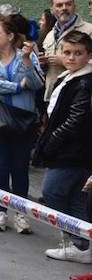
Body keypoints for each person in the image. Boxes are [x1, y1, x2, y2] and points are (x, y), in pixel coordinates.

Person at [0, 15, 44, 233]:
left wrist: (26, 61)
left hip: (22, 120)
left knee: (19, 168)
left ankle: (20, 213)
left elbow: (36, 83)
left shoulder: (26, 56)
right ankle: (0, 212)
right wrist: (16, 87)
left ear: (10, 36)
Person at [32, 31, 92, 263]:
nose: (71, 57)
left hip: (71, 152)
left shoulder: (85, 82)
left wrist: (50, 143)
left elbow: (75, 121)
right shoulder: (69, 77)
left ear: (88, 55)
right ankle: (81, 245)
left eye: (78, 53)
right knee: (76, 197)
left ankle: (77, 242)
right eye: (67, 52)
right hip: (72, 150)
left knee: (52, 192)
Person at [40, 0, 92, 100]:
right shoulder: (49, 35)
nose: (64, 8)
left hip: (80, 95)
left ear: (74, 7)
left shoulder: (89, 30)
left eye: (68, 4)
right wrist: (43, 63)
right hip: (52, 94)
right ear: (52, 10)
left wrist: (63, 61)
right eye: (59, 5)